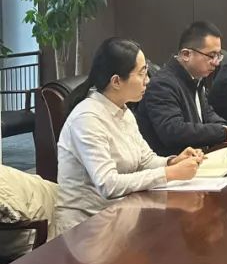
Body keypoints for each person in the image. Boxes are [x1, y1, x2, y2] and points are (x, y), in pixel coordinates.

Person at [55, 38, 206, 234]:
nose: (148, 80)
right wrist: (169, 174)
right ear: (116, 81)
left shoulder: (123, 110)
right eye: (141, 73)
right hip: (86, 227)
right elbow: (108, 184)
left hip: (121, 217)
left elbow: (144, 160)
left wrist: (173, 162)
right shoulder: (87, 119)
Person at [136, 22, 227, 154]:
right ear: (186, 54)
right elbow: (173, 131)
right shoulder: (162, 84)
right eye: (211, 55)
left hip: (197, 157)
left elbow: (209, 115)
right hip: (175, 162)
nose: (216, 62)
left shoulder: (196, 79)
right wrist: (224, 132)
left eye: (218, 56)